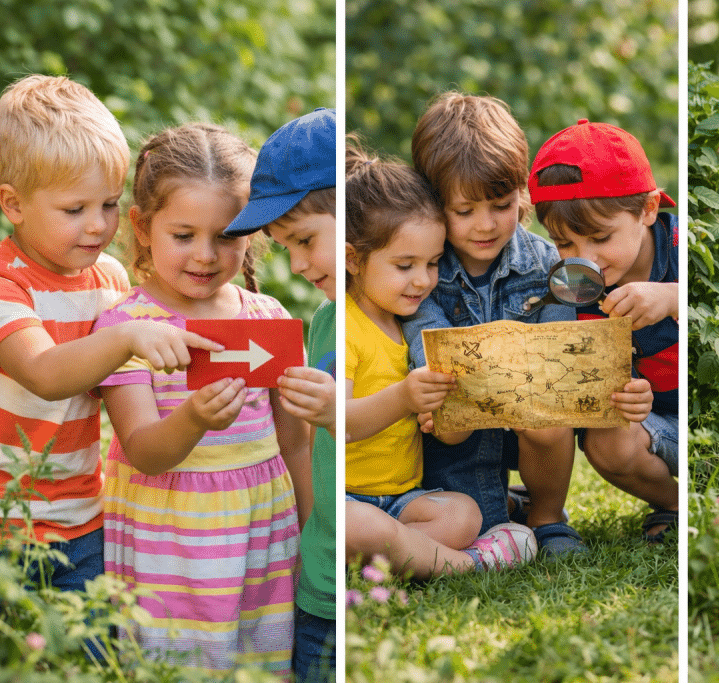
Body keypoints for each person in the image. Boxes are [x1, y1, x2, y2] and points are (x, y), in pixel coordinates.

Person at [94, 123, 311, 678]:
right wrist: (193, 418)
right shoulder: (128, 327)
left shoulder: (268, 319)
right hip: (170, 535)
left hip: (261, 529)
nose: (206, 255)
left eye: (227, 236)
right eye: (184, 235)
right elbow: (143, 449)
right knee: (178, 661)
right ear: (142, 228)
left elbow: (294, 445)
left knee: (257, 656)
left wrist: (315, 539)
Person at [0, 75, 222, 597]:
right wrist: (128, 338)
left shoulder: (110, 280)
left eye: (109, 203)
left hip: (83, 516)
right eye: (75, 210)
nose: (99, 225)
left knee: (93, 657)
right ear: (13, 204)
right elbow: (45, 374)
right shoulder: (8, 285)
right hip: (9, 521)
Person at [401, 92, 589, 556]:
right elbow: (424, 338)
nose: (484, 225)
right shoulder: (423, 269)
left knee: (546, 418)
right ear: (433, 202)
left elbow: (557, 353)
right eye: (464, 212)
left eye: (501, 205)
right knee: (453, 426)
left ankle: (546, 516)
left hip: (527, 412)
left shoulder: (547, 265)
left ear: (522, 192)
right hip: (451, 422)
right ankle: (499, 507)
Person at [342, 136, 537, 578]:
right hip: (349, 498)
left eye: (432, 264)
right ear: (354, 260)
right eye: (404, 265)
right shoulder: (346, 325)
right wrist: (406, 398)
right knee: (359, 525)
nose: (423, 281)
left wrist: (440, 410)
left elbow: (437, 424)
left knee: (464, 515)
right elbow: (341, 426)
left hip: (402, 500)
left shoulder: (406, 323)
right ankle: (467, 564)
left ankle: (394, 551)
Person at [223, 107, 338, 683]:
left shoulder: (414, 308)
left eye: (306, 241)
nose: (296, 265)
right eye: (284, 246)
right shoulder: (321, 321)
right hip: (319, 571)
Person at [528, 119, 676, 541]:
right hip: (650, 426)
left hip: (707, 424)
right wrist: (624, 393)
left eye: (600, 237)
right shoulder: (573, 287)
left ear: (648, 210)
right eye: (565, 244)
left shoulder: (687, 246)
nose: (585, 258)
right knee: (605, 441)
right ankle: (672, 504)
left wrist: (672, 298)